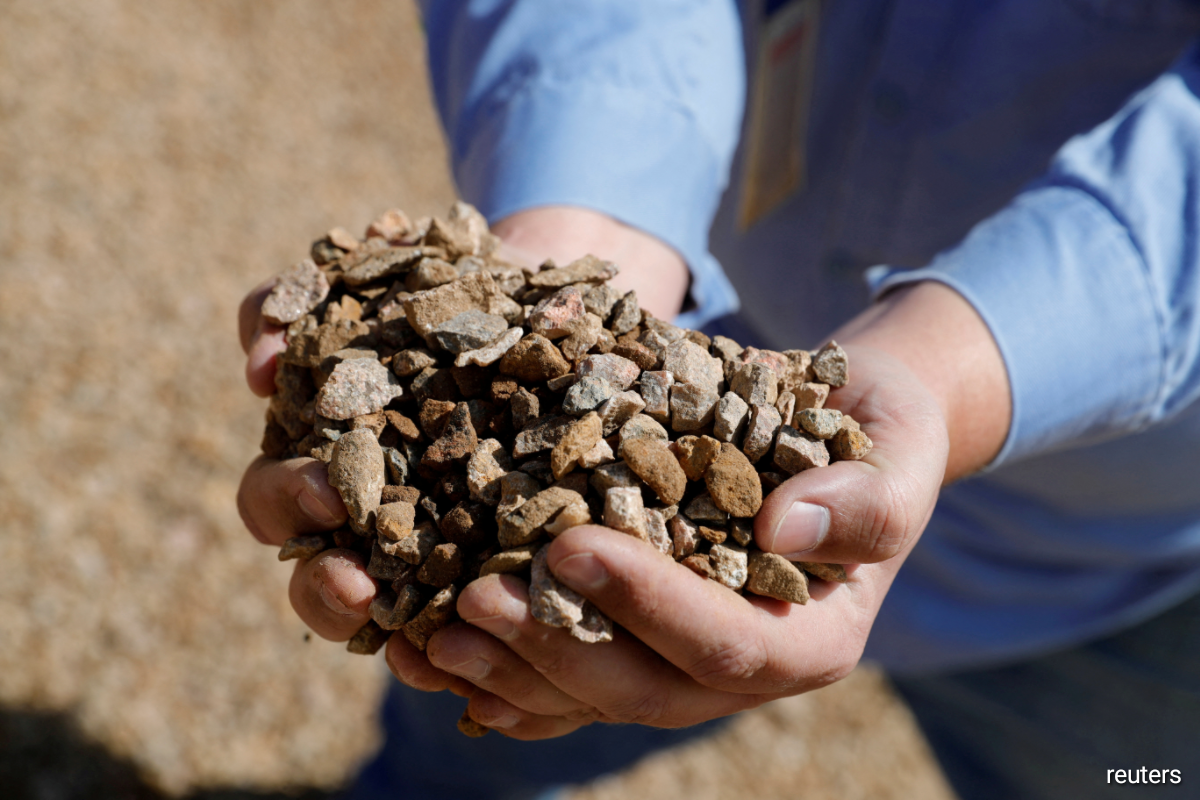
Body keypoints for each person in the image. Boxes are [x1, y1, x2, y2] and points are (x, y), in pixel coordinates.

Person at [237, 2, 1200, 798]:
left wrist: (949, 371)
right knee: (469, 724)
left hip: (1106, 560)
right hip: (701, 341)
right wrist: (583, 234)